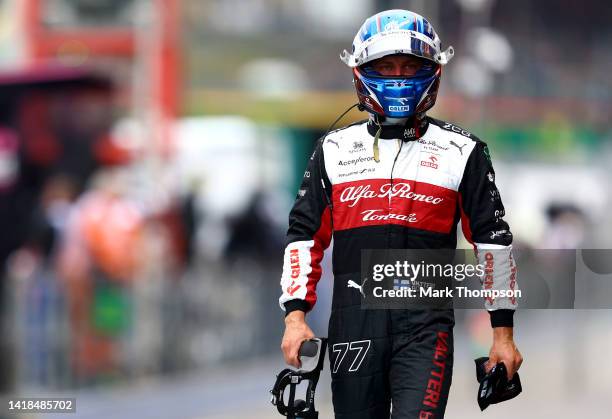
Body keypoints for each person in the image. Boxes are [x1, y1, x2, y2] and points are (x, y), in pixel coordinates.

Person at [279, 9, 522, 418]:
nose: (398, 76)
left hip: (427, 326)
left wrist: (502, 333)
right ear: (360, 71)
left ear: (433, 71)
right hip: (353, 326)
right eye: (386, 66)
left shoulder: (464, 151)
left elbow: (493, 242)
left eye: (410, 67)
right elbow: (304, 236)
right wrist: (295, 317)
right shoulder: (332, 149)